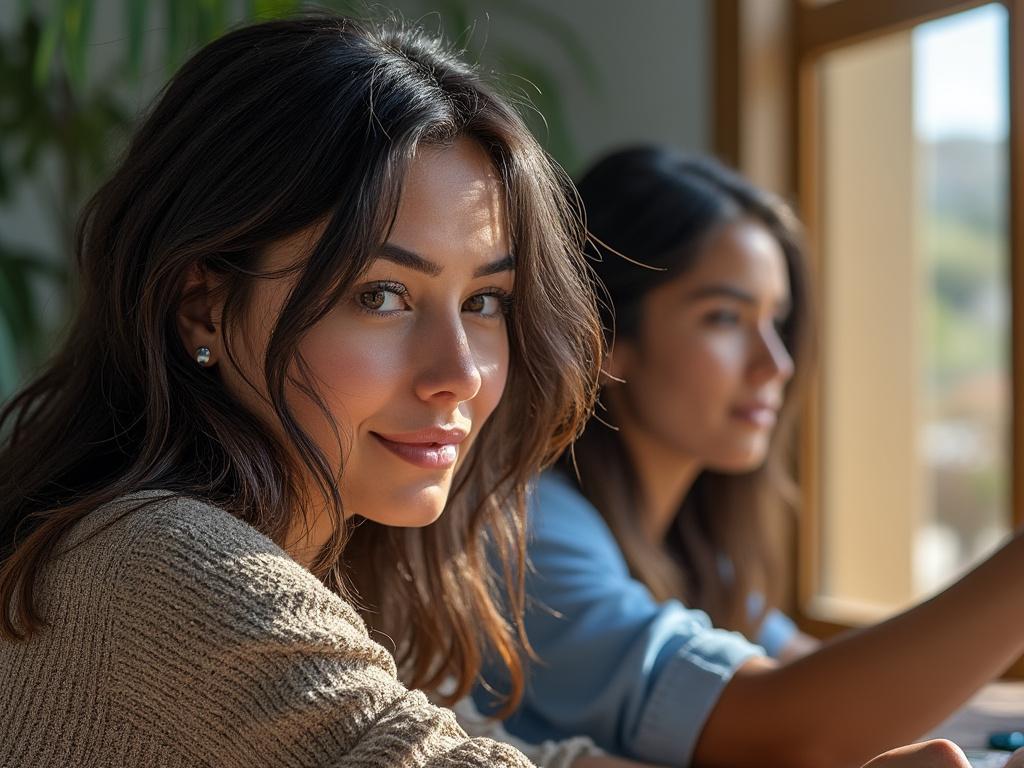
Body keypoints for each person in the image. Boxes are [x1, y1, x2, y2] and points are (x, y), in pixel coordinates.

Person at [0, 17, 991, 768]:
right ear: (201, 308)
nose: (460, 373)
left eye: (484, 300)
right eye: (380, 294)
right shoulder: (158, 557)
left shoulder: (341, 560)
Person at [473, 146, 1024, 768]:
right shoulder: (526, 528)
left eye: (777, 321)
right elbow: (787, 729)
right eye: (725, 318)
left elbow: (843, 687)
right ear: (602, 338)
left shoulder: (695, 550)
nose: (776, 364)